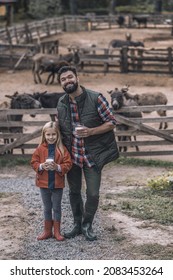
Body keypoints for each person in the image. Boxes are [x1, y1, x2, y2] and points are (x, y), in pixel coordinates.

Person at [56, 65, 119, 241]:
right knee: (74, 192)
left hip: (93, 156)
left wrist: (91, 131)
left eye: (69, 77)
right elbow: (59, 125)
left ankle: (87, 224)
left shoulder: (96, 98)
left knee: (93, 193)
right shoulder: (61, 103)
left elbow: (111, 122)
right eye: (63, 79)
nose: (67, 81)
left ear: (77, 78)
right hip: (73, 156)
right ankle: (77, 224)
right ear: (61, 84)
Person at [31, 121, 72, 241]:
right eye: (48, 135)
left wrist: (58, 167)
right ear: (44, 135)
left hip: (57, 184)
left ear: (58, 135)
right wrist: (41, 166)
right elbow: (33, 162)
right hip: (43, 184)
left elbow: (68, 164)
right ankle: (47, 231)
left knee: (57, 207)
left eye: (53, 134)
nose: (51, 137)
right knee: (47, 207)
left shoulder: (62, 149)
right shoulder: (40, 149)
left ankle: (57, 232)